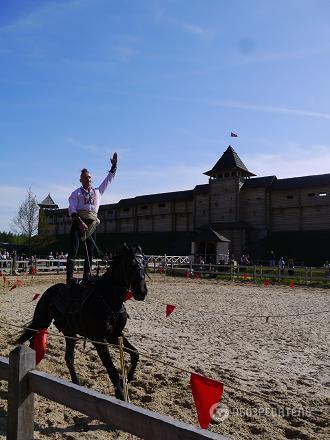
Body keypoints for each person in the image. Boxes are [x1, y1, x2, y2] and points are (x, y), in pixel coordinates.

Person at [66, 152, 117, 285]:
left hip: (92, 224)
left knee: (90, 250)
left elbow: (108, 180)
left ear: (91, 179)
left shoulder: (98, 192)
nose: (87, 179)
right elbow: (71, 208)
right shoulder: (75, 193)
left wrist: (114, 166)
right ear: (81, 180)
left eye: (89, 177)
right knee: (74, 249)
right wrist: (79, 222)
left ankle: (87, 276)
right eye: (85, 177)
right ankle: (69, 279)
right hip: (78, 222)